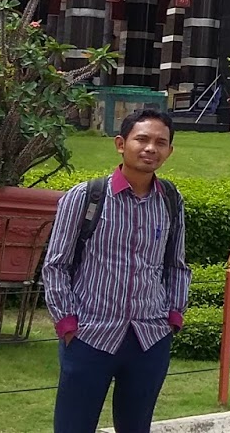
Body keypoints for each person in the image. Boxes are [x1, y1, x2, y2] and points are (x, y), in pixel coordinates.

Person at [41, 107, 191, 433]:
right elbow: (56, 265)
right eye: (142, 139)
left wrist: (174, 316)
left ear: (169, 150)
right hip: (90, 336)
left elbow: (176, 264)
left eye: (160, 142)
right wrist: (67, 323)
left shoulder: (171, 201)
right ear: (121, 144)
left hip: (148, 339)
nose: (150, 148)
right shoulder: (86, 197)